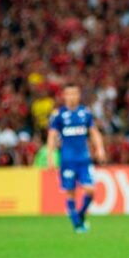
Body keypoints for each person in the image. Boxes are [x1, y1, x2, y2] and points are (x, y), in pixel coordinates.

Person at [47, 85, 105, 232]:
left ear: (79, 96)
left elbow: (94, 132)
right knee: (70, 191)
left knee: (90, 190)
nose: (72, 97)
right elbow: (52, 136)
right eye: (69, 94)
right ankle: (77, 224)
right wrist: (50, 157)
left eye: (74, 94)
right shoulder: (59, 115)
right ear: (64, 96)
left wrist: (100, 149)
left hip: (84, 159)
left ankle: (79, 215)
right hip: (67, 160)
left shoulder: (85, 113)